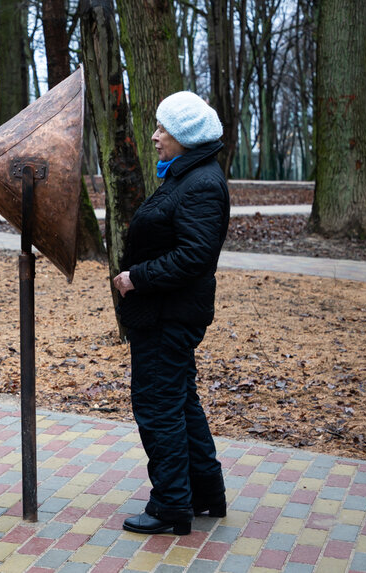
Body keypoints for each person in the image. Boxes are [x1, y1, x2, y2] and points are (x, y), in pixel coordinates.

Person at [113, 92, 229, 536]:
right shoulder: (187, 175)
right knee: (181, 403)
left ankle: (170, 506)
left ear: (185, 138)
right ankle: (204, 495)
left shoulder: (200, 183)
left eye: (164, 129)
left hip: (168, 317)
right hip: (167, 315)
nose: (155, 136)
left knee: (159, 407)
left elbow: (195, 256)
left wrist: (135, 278)